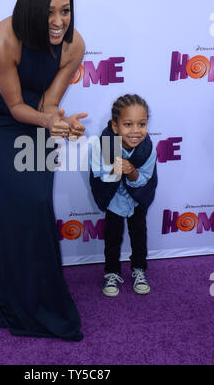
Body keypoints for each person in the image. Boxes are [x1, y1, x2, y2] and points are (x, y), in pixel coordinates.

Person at [0, 0, 87, 341]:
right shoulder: (5, 37)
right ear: (30, 10)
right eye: (49, 12)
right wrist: (49, 122)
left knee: (36, 201)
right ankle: (9, 294)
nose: (58, 22)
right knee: (5, 205)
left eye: (65, 11)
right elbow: (15, 105)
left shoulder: (73, 45)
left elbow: (48, 103)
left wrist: (60, 123)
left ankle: (42, 297)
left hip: (35, 115)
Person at [89, 94, 157, 297]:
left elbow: (145, 178)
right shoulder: (103, 145)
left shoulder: (147, 148)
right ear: (115, 126)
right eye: (128, 124)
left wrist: (132, 171)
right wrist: (115, 169)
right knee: (112, 238)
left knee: (139, 235)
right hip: (114, 200)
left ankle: (138, 269)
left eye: (142, 124)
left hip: (137, 200)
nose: (136, 131)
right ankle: (111, 272)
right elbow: (98, 173)